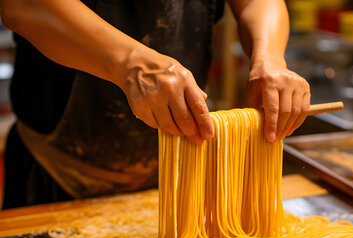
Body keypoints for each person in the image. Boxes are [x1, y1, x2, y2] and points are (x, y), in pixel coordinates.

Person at [1, 0, 310, 209]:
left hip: (179, 175)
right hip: (54, 175)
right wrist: (129, 62)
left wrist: (269, 57)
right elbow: (21, 5)